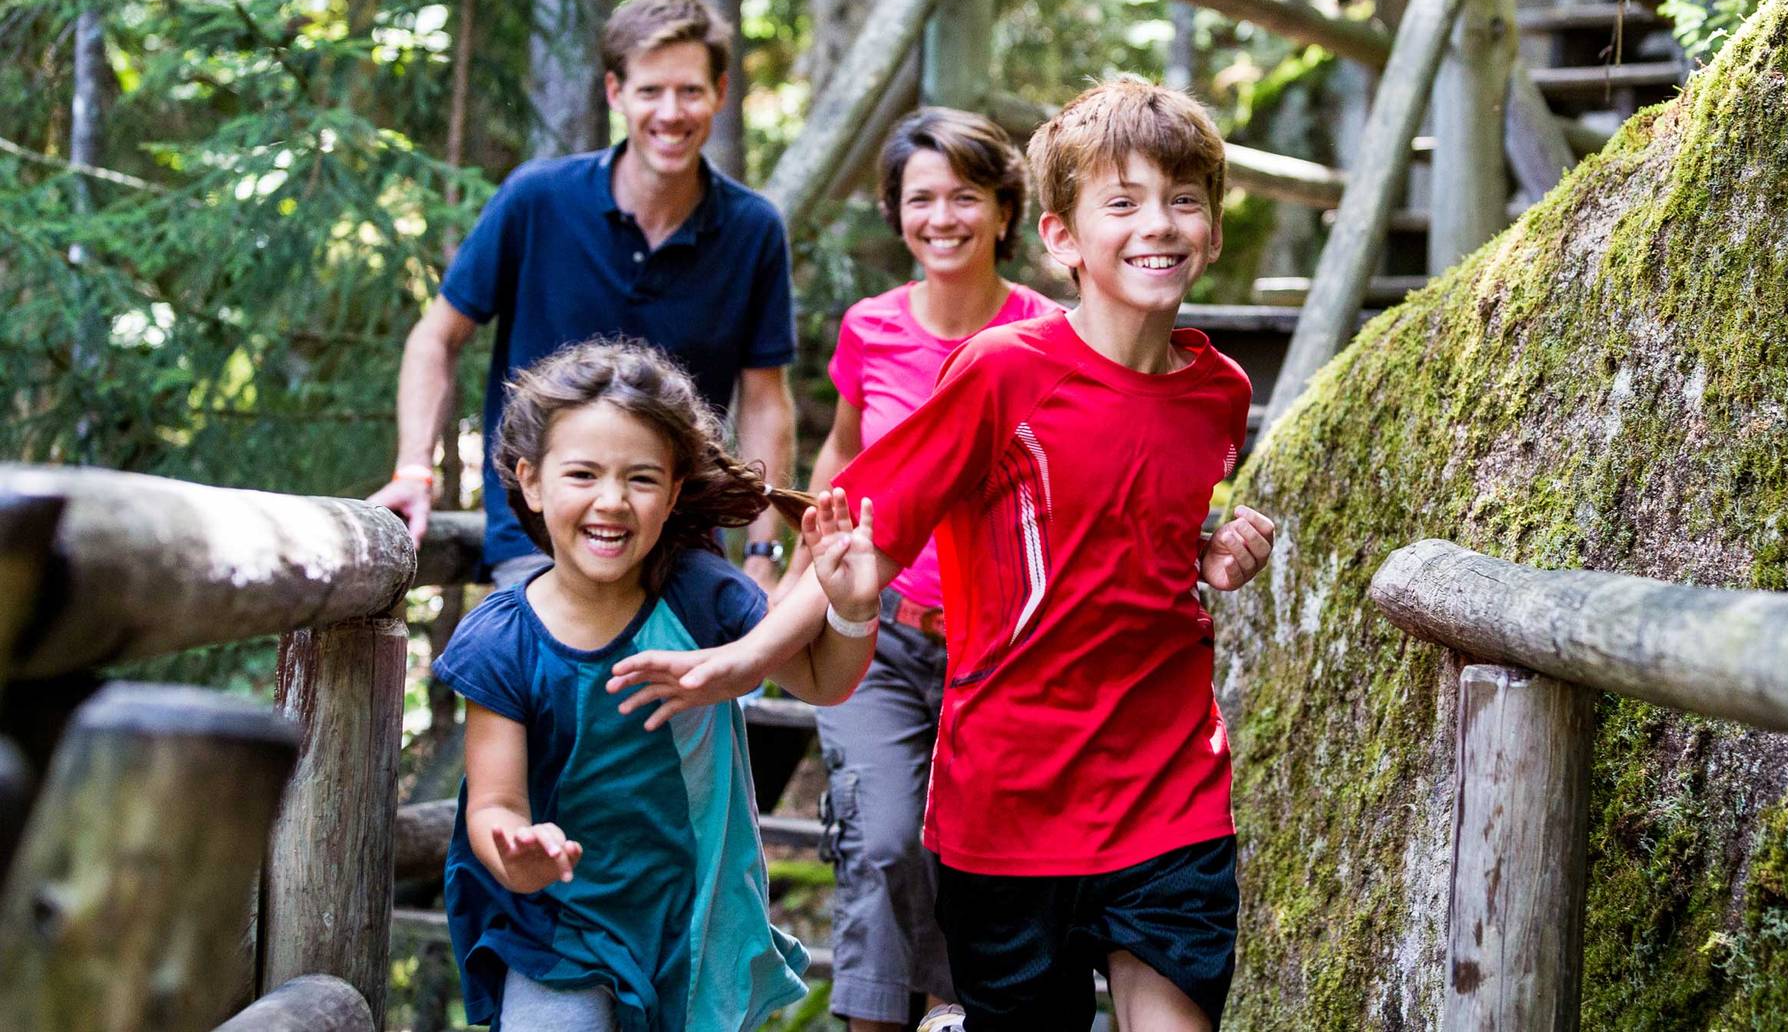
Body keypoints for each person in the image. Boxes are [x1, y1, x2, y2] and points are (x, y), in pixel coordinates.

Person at [611, 77, 1278, 1031]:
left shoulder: (1219, 390)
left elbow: (1138, 521)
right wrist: (740, 662)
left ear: (1213, 227)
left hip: (1168, 788)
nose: (1159, 226)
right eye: (1122, 203)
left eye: (1183, 201)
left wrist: (1206, 551)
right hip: (1009, 803)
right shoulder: (1005, 371)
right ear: (1060, 238)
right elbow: (867, 541)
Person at [435, 339, 883, 1031]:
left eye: (641, 479)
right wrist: (519, 854)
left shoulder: (703, 599)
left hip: (695, 927)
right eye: (582, 474)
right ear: (531, 480)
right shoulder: (502, 642)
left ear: (674, 491)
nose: (611, 502)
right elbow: (494, 804)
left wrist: (852, 610)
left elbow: (822, 681)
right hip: (557, 930)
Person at [773, 108, 1064, 1032]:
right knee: (884, 839)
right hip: (882, 635)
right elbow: (844, 454)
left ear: (1006, 211)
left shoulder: (1050, 334)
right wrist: (800, 574)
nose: (942, 217)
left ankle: (955, 1010)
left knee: (980, 849)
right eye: (920, 198)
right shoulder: (871, 328)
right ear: (897, 213)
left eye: (965, 197)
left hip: (1002, 646)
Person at [369, 0, 796, 591]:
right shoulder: (537, 199)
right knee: (533, 676)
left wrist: (761, 551)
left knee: (702, 681)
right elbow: (437, 337)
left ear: (721, 94)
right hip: (540, 542)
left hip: (683, 551)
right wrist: (414, 468)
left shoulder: (753, 229)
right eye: (650, 91)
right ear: (615, 93)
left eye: (690, 91)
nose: (671, 112)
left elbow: (765, 400)